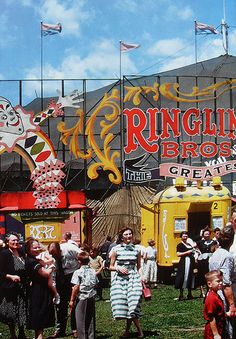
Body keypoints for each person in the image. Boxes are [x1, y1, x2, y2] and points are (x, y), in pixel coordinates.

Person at [109, 227, 144, 338]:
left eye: (130, 234)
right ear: (122, 237)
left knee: (133, 305)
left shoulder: (137, 250)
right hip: (120, 280)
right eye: (126, 234)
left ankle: (139, 331)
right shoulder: (116, 249)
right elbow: (110, 266)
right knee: (124, 306)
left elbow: (139, 266)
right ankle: (128, 331)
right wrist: (118, 268)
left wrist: (141, 276)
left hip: (133, 279)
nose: (128, 236)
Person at [209, 225, 236, 338]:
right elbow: (226, 283)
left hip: (214, 294)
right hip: (224, 296)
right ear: (231, 240)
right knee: (228, 327)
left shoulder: (214, 255)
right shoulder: (227, 256)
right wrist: (232, 305)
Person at [52, 233, 81, 338]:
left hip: (72, 275)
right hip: (60, 277)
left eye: (57, 255)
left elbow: (84, 256)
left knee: (73, 303)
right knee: (60, 304)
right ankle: (60, 329)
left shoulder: (70, 248)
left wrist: (79, 270)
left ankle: (75, 328)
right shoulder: (52, 256)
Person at [25, 238, 55, 339]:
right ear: (28, 249)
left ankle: (38, 336)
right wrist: (52, 267)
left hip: (39, 290)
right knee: (39, 319)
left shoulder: (34, 259)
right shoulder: (32, 262)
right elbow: (45, 274)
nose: (38, 249)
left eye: (38, 247)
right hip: (38, 292)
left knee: (39, 322)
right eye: (34, 247)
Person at [0, 232, 27, 339]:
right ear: (7, 242)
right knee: (11, 311)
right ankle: (12, 335)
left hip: (22, 288)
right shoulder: (4, 254)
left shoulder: (21, 252)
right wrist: (10, 276)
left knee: (22, 309)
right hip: (10, 288)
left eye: (17, 240)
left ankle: (22, 333)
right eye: (13, 240)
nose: (16, 242)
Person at [69, 251, 98, 339]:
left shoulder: (77, 272)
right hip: (91, 297)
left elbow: (76, 287)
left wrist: (72, 300)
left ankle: (82, 337)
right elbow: (96, 283)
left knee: (80, 320)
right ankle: (91, 336)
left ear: (79, 261)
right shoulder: (93, 271)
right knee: (90, 318)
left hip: (82, 297)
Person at [204, 270, 226, 339]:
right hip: (213, 331)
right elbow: (211, 317)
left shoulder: (216, 294)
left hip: (219, 327)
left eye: (221, 280)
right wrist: (215, 334)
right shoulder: (211, 298)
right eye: (218, 281)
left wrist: (226, 314)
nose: (221, 283)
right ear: (209, 284)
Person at [175, 231, 195, 301]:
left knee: (190, 276)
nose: (185, 237)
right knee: (183, 276)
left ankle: (190, 293)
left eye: (186, 236)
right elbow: (178, 254)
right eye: (184, 236)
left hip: (191, 262)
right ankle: (181, 294)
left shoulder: (189, 244)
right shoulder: (180, 245)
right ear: (181, 237)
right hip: (184, 262)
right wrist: (187, 252)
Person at [197, 227, 217, 296]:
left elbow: (216, 249)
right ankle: (202, 291)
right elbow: (194, 247)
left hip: (211, 259)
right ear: (203, 235)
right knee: (203, 275)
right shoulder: (200, 242)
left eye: (208, 234)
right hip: (202, 261)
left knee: (210, 274)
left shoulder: (213, 242)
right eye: (205, 234)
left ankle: (210, 289)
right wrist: (198, 253)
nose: (207, 235)